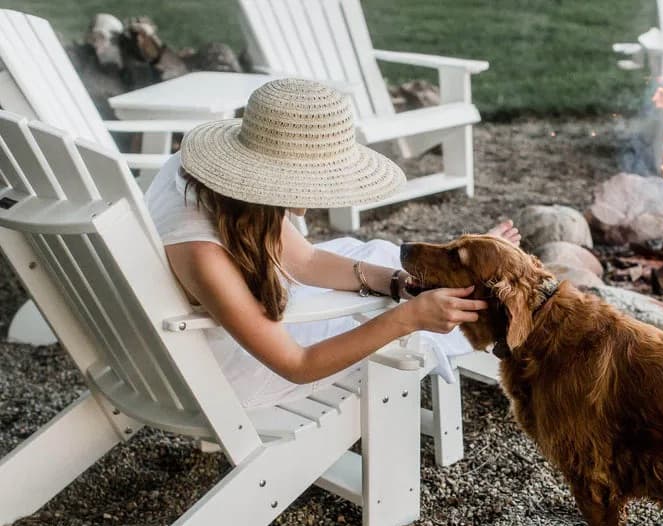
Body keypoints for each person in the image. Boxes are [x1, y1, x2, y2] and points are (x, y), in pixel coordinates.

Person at [144, 78, 520, 408]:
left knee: (379, 255)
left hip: (229, 327)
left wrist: (395, 282)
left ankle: (468, 281)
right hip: (237, 370)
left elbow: (304, 261)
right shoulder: (202, 254)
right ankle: (500, 317)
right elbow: (298, 365)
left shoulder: (217, 182)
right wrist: (408, 318)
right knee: (397, 320)